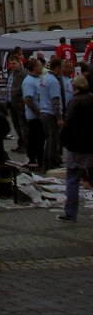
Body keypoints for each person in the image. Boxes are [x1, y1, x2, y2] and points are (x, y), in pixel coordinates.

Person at [57, 76, 93, 222]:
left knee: (72, 180)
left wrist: (64, 139)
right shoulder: (91, 98)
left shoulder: (75, 102)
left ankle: (70, 213)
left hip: (77, 146)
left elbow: (69, 124)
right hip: (91, 145)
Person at [21, 58, 45, 170]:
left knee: (39, 139)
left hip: (39, 115)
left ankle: (38, 159)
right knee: (36, 139)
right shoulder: (29, 81)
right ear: (35, 67)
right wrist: (38, 113)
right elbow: (28, 99)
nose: (42, 68)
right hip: (34, 116)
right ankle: (35, 159)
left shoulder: (38, 79)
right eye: (40, 66)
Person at [6, 55, 28, 152]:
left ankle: (25, 145)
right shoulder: (12, 72)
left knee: (22, 125)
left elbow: (22, 89)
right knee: (16, 126)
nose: (12, 65)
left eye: (14, 63)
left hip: (20, 104)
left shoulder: (23, 73)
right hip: (12, 104)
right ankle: (20, 144)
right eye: (10, 63)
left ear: (20, 62)